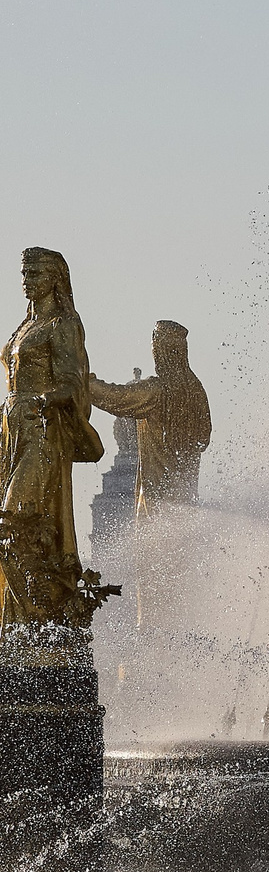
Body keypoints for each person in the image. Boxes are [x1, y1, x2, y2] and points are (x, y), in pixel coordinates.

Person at [1, 249, 103, 626]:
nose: (27, 278)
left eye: (36, 272)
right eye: (24, 272)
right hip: (11, 435)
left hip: (42, 433)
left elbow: (73, 384)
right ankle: (22, 623)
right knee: (19, 526)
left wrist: (40, 399)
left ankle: (42, 618)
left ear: (55, 277)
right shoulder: (24, 326)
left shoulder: (63, 323)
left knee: (13, 520)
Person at [88, 320, 213, 518]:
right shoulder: (196, 391)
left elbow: (116, 398)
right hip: (185, 498)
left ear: (161, 351)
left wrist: (84, 383)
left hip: (156, 500)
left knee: (154, 547)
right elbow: (203, 439)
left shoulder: (157, 390)